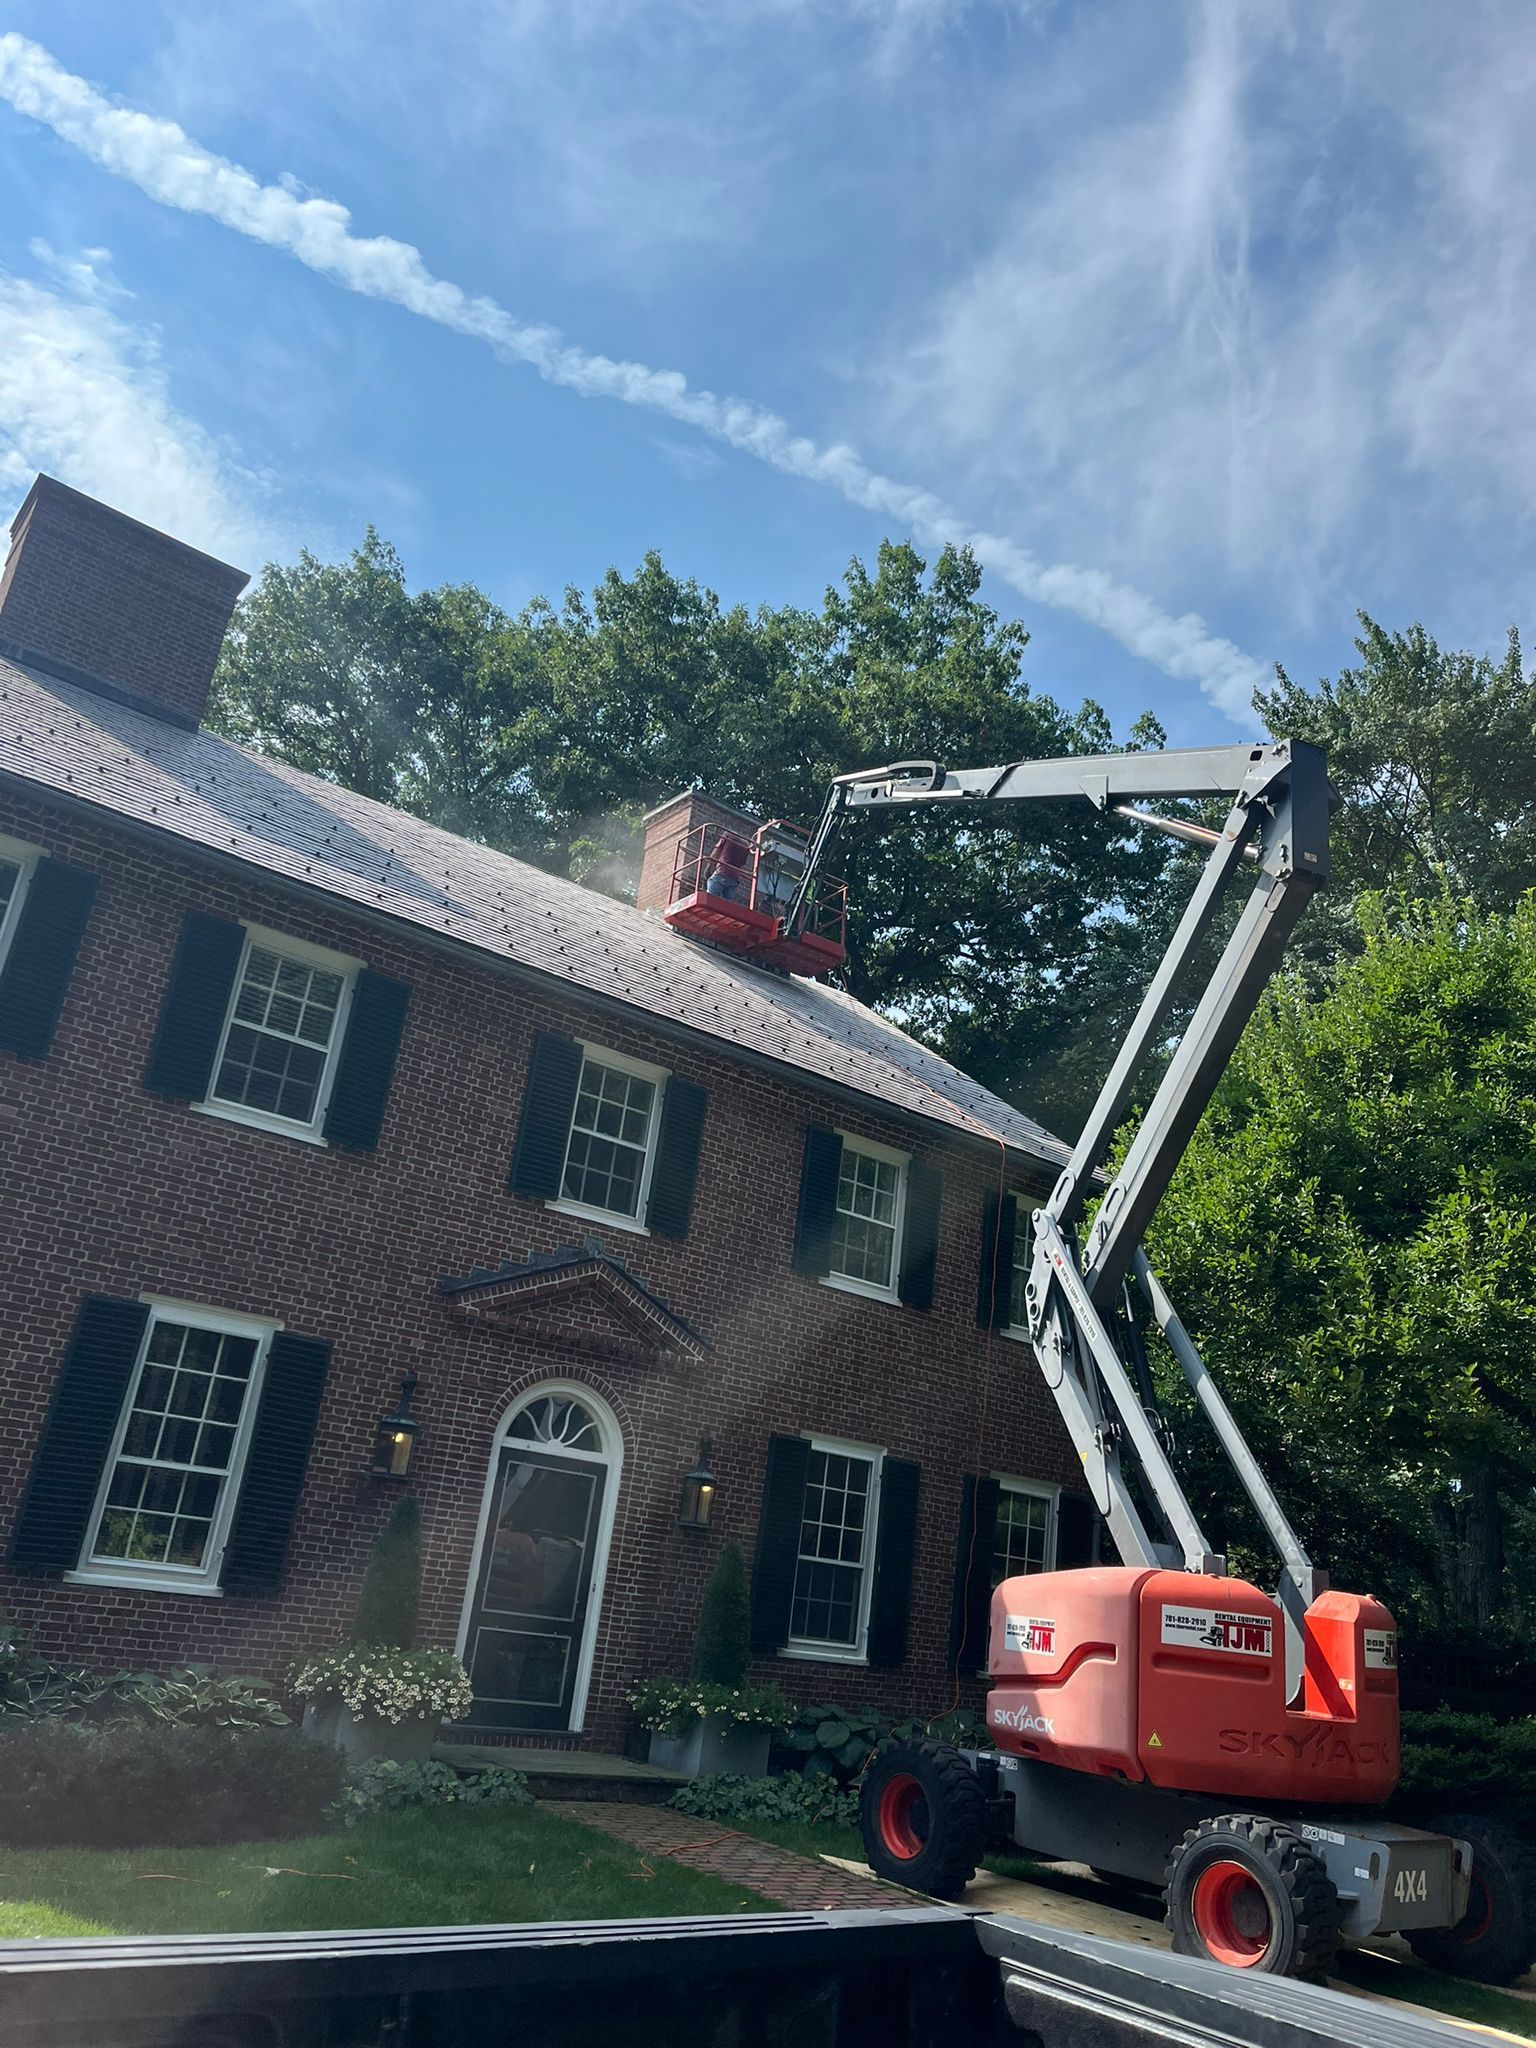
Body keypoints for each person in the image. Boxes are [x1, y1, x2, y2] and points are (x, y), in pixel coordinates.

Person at [705, 830, 751, 903]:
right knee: (726, 905)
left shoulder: (728, 834)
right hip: (734, 878)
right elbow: (742, 862)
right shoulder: (746, 844)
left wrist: (708, 868)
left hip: (722, 873)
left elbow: (716, 851)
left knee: (709, 899)